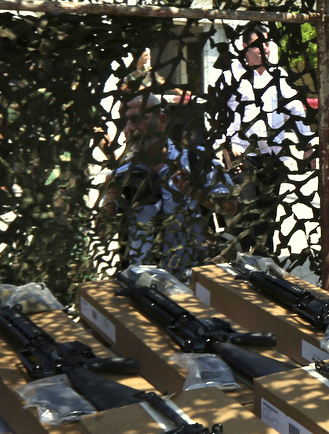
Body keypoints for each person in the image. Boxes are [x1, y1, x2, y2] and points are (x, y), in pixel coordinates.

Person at [100, 93, 235, 278]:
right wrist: (109, 200)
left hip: (189, 275)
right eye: (124, 123)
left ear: (162, 121)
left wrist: (197, 194)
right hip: (140, 279)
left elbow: (231, 209)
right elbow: (101, 233)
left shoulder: (196, 160)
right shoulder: (123, 174)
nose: (129, 129)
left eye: (137, 120)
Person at [210, 22, 311, 256]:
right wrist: (226, 150)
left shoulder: (278, 74)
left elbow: (295, 109)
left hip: (271, 156)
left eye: (267, 43)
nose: (265, 48)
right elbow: (216, 117)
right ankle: (239, 263)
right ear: (245, 46)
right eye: (258, 44)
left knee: (267, 216)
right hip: (241, 155)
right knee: (244, 212)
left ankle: (263, 262)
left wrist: (307, 145)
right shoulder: (230, 76)